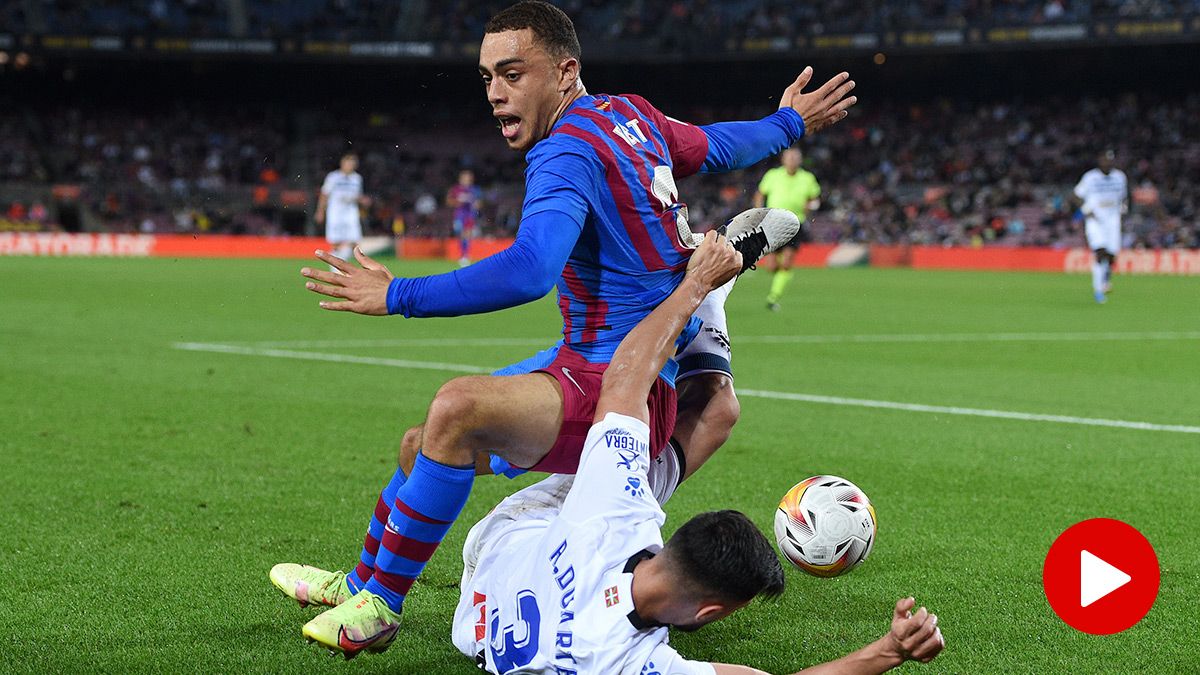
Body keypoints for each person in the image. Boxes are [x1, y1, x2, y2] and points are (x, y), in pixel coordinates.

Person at [287, 1, 856, 655]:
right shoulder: (633, 115)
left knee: (456, 406)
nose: (496, 94)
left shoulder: (564, 153)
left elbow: (532, 268)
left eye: (512, 73)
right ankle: (358, 582)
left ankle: (379, 607)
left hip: (620, 385)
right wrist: (788, 122)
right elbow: (723, 146)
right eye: (486, 78)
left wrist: (399, 295)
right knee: (425, 443)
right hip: (591, 365)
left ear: (564, 72)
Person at [283, 234, 947, 672]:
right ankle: (714, 297)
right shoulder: (627, 664)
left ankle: (367, 587)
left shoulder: (619, 510)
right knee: (718, 411)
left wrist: (690, 286)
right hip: (483, 611)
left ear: (667, 534)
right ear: (706, 615)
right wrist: (887, 649)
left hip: (524, 530)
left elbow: (625, 376)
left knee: (433, 437)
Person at [753, 147, 821, 311]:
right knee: (771, 266)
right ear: (783, 160)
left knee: (787, 261)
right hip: (773, 223)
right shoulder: (773, 175)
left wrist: (810, 206)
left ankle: (773, 297)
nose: (792, 161)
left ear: (800, 161)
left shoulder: (807, 178)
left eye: (795, 158)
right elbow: (760, 194)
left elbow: (814, 199)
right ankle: (780, 278)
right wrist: (758, 214)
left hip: (796, 223)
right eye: (789, 158)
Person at [1072, 149, 1128, 304]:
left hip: (1113, 220)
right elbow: (1075, 195)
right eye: (1104, 159)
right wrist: (1086, 210)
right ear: (1099, 160)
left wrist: (1123, 212)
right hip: (1095, 220)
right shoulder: (1090, 177)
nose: (1107, 163)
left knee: (1111, 256)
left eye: (1110, 160)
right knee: (1100, 252)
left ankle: (1105, 279)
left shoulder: (1120, 177)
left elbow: (1123, 198)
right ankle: (1098, 290)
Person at [315, 152, 369, 264]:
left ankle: (343, 263)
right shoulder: (333, 177)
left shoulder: (357, 178)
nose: (350, 166)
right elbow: (324, 194)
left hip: (350, 213)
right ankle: (335, 265)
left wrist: (362, 200)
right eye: (348, 163)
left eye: (352, 164)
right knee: (336, 241)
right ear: (342, 164)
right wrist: (320, 211)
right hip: (335, 213)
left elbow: (357, 195)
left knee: (355, 241)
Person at [447, 168, 483, 265]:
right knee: (460, 233)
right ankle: (463, 254)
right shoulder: (456, 189)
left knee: (466, 234)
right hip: (459, 215)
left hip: (469, 215)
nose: (467, 180)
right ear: (461, 179)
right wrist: (457, 202)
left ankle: (465, 255)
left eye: (469, 178)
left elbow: (479, 203)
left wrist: (477, 205)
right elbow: (449, 201)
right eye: (465, 178)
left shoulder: (475, 190)